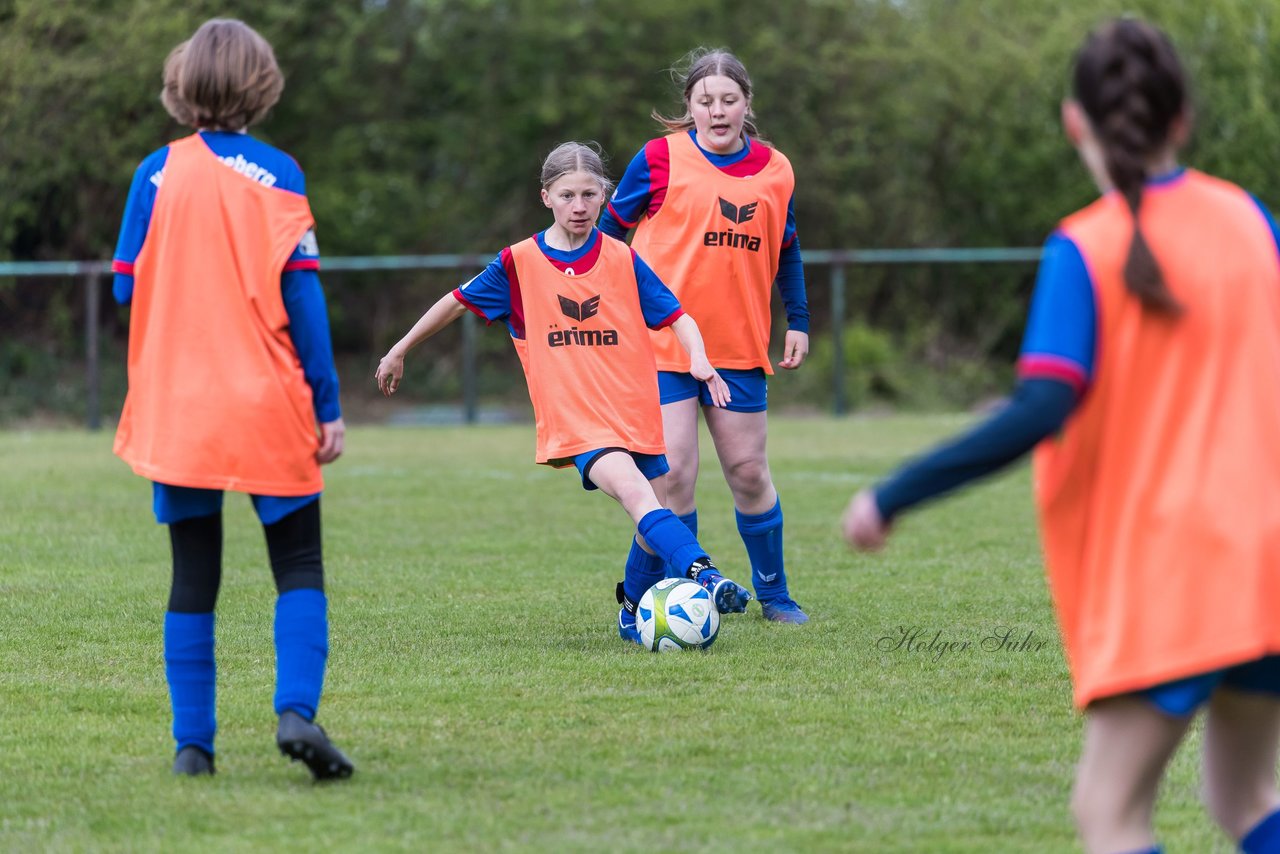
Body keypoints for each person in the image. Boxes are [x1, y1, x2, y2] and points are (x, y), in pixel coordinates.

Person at [844, 18, 1280, 854]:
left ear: (1072, 121)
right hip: (1265, 564)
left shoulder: (1085, 247)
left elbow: (1043, 406)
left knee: (1108, 815)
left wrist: (893, 495)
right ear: (1183, 118)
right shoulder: (1253, 222)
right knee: (1247, 799)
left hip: (1174, 572)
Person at [375, 142, 754, 645]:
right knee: (639, 494)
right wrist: (399, 348)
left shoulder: (623, 259)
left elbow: (678, 317)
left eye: (590, 195)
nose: (579, 206)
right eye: (568, 195)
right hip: (578, 421)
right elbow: (456, 303)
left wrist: (700, 359)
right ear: (546, 198)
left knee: (651, 518)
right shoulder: (520, 263)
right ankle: (706, 575)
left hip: (635, 410)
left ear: (604, 197)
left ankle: (633, 610)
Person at [112, 18, 353, 781]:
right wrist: (329, 402)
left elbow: (126, 285)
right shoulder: (279, 173)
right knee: (299, 565)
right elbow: (303, 301)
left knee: (192, 573)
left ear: (181, 85)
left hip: (177, 405)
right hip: (265, 402)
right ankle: (295, 713)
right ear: (263, 84)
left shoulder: (153, 173)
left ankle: (193, 748)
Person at [598, 48, 811, 624]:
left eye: (729, 100)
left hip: (738, 346)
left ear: (747, 104)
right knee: (672, 478)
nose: (717, 112)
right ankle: (662, 599)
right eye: (704, 101)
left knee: (748, 471)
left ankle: (775, 594)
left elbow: (787, 248)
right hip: (661, 344)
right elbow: (606, 240)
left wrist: (799, 319)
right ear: (689, 106)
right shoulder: (659, 157)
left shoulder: (776, 169)